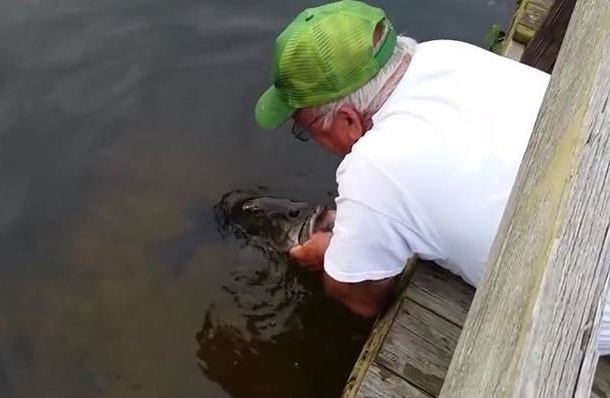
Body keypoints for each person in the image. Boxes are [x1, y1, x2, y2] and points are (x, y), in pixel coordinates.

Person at [253, 0, 610, 354]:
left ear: (347, 119)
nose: (311, 140)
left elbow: (361, 298)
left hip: (589, 313)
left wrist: (331, 254)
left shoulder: (373, 169)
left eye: (306, 129)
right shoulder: (446, 53)